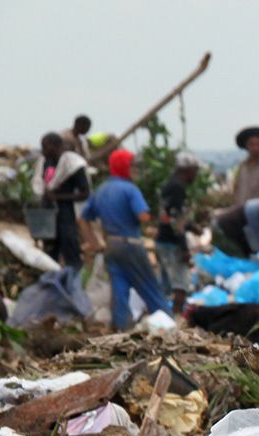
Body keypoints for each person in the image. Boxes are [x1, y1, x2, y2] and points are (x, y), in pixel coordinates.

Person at [79, 150, 171, 330]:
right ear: (124, 167)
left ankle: (120, 328)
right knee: (149, 287)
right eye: (132, 166)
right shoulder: (130, 189)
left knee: (119, 289)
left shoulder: (101, 189)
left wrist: (93, 241)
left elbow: (82, 219)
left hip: (111, 244)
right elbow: (143, 216)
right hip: (131, 243)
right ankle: (168, 324)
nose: (134, 170)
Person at [32, 132, 90, 268]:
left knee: (70, 249)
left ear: (55, 147)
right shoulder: (46, 162)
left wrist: (58, 197)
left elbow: (85, 193)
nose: (43, 151)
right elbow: (41, 185)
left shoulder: (73, 164)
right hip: (49, 216)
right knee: (49, 253)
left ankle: (73, 283)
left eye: (45, 147)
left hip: (67, 214)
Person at [156, 153, 201, 316]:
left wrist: (190, 226)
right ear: (187, 170)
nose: (195, 175)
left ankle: (161, 315)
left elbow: (168, 216)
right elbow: (176, 222)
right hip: (173, 243)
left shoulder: (167, 185)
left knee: (165, 284)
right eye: (194, 171)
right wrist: (185, 249)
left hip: (162, 239)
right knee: (181, 285)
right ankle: (175, 320)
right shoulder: (178, 188)